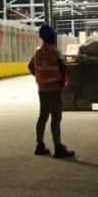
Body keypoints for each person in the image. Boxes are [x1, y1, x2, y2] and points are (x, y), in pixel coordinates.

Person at [28, 24, 74, 158]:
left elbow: (30, 66)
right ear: (52, 36)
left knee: (43, 116)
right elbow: (62, 68)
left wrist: (39, 76)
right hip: (54, 88)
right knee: (56, 118)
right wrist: (62, 83)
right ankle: (58, 147)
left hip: (42, 89)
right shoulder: (54, 51)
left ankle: (40, 145)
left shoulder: (38, 51)